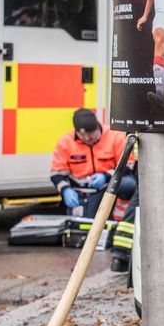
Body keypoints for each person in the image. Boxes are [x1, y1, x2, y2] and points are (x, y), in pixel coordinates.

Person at [51, 109, 136, 272]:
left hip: (109, 185)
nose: (88, 138)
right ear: (77, 133)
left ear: (98, 127)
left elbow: (129, 165)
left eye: (91, 134)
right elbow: (57, 173)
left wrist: (105, 176)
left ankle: (120, 220)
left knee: (130, 184)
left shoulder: (115, 137)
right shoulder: (65, 142)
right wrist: (66, 190)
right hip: (81, 192)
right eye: (83, 136)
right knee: (87, 232)